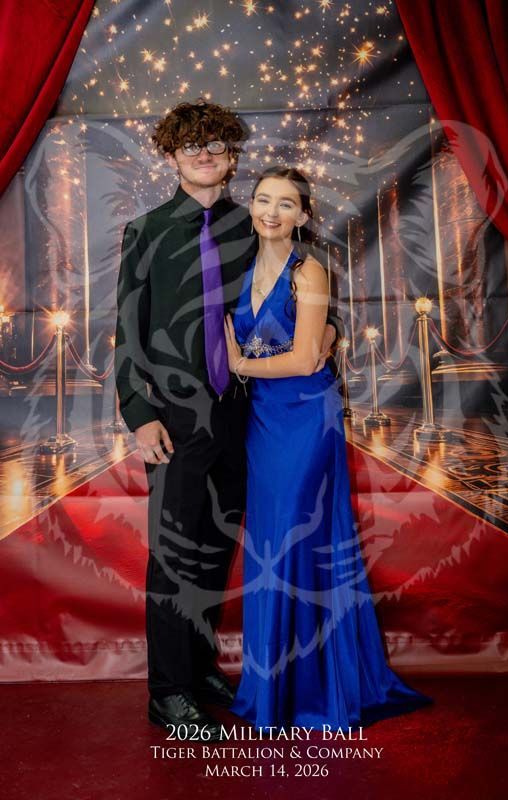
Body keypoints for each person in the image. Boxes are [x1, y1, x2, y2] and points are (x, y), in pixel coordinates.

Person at [114, 100, 339, 740]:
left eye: (215, 145)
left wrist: (331, 334)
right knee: (175, 555)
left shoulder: (256, 224)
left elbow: (296, 293)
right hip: (177, 421)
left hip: (249, 417)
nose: (204, 155)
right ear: (173, 155)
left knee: (215, 551)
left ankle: (200, 667)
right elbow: (126, 331)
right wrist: (139, 413)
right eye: (191, 147)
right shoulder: (146, 232)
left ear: (232, 154)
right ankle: (168, 693)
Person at [224, 166, 433, 729]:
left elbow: (303, 358)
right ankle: (274, 690)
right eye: (263, 200)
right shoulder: (240, 272)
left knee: (301, 539)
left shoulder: (309, 270)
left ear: (303, 215)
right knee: (270, 541)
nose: (271, 212)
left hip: (306, 420)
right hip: (262, 422)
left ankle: (317, 690)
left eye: (285, 204)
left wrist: (239, 361)